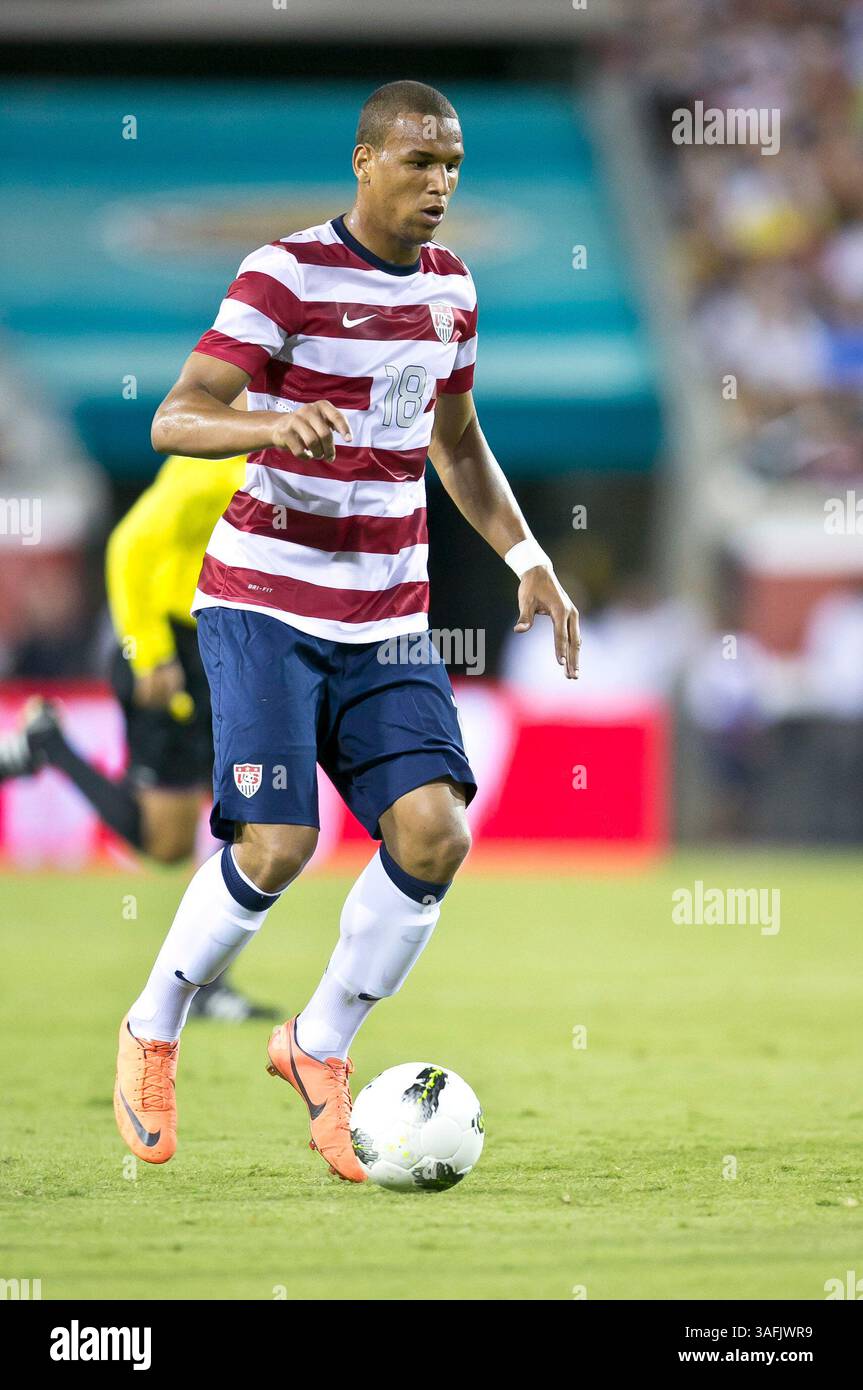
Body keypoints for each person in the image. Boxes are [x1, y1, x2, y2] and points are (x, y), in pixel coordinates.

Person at [114, 80, 580, 1182]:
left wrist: (526, 557)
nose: (439, 186)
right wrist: (273, 418)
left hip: (388, 614)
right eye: (419, 163)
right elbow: (173, 413)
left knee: (434, 833)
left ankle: (317, 1045)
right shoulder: (283, 274)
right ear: (364, 161)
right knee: (276, 846)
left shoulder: (452, 290)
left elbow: (456, 443)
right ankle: (152, 1024)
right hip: (264, 600)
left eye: (453, 166)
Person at [0, 452, 274, 1022]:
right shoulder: (220, 458)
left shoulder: (283, 456)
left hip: (226, 646)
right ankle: (49, 743)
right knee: (168, 842)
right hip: (171, 655)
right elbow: (130, 543)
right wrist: (149, 651)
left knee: (243, 813)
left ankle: (208, 981)